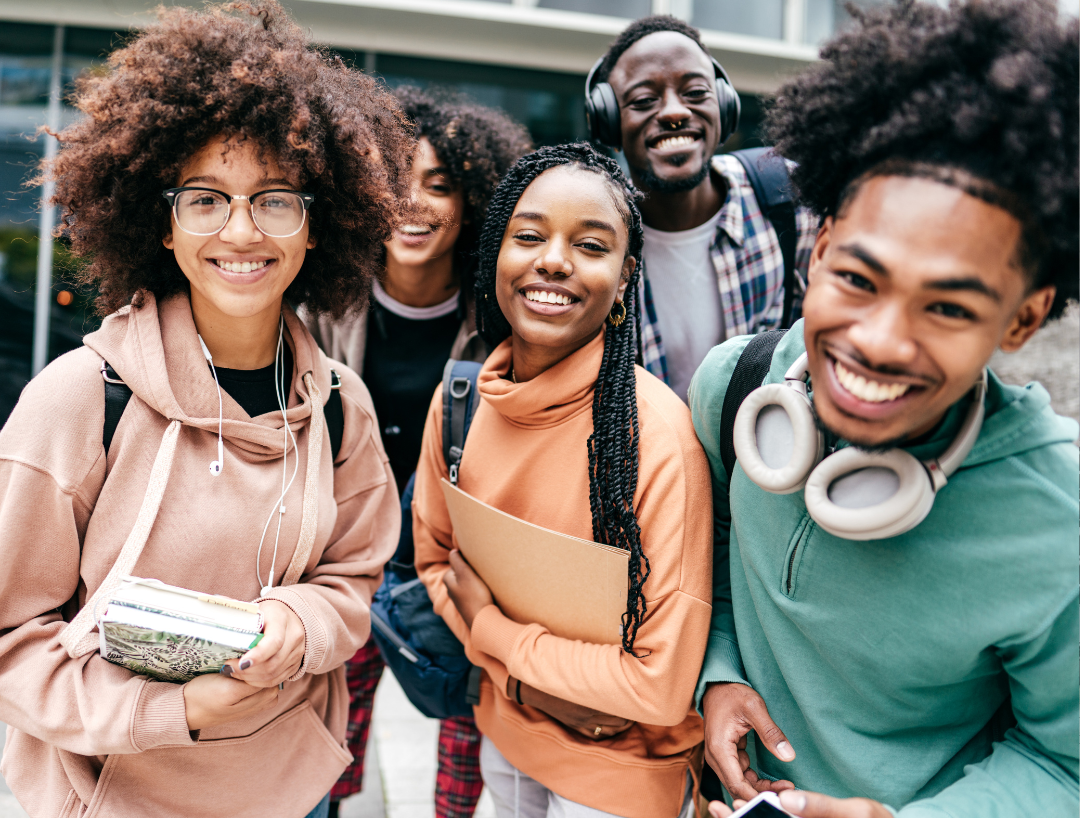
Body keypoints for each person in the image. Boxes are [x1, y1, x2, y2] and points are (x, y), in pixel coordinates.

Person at [0, 3, 414, 817]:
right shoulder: (82, 399)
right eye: (206, 199)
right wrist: (173, 711)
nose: (241, 229)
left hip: (288, 792)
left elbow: (354, 579)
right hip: (111, 796)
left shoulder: (339, 406)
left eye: (275, 199)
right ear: (163, 223)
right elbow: (10, 642)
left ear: (313, 226)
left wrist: (301, 620)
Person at [692, 1, 1079, 816]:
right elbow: (710, 553)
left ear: (1023, 319)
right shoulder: (733, 386)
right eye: (859, 280)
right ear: (820, 246)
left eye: (948, 308)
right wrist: (717, 674)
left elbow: (1067, 766)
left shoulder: (1060, 519)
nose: (879, 343)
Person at [411, 142, 713, 818]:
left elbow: (660, 688)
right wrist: (530, 691)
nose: (553, 259)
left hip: (623, 785)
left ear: (626, 274)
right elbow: (435, 563)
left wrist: (496, 638)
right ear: (496, 252)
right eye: (529, 236)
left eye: (590, 244)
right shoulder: (460, 402)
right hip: (504, 744)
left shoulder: (657, 441)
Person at [305, 86, 531, 818]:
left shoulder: (498, 315)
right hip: (347, 554)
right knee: (331, 740)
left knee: (464, 742)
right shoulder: (320, 305)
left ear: (472, 204)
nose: (416, 201)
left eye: (440, 184)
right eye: (397, 177)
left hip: (454, 563)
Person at [587, 16, 818, 401]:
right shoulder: (596, 238)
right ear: (609, 122)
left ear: (724, 104)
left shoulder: (791, 199)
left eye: (695, 92)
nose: (675, 112)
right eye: (644, 100)